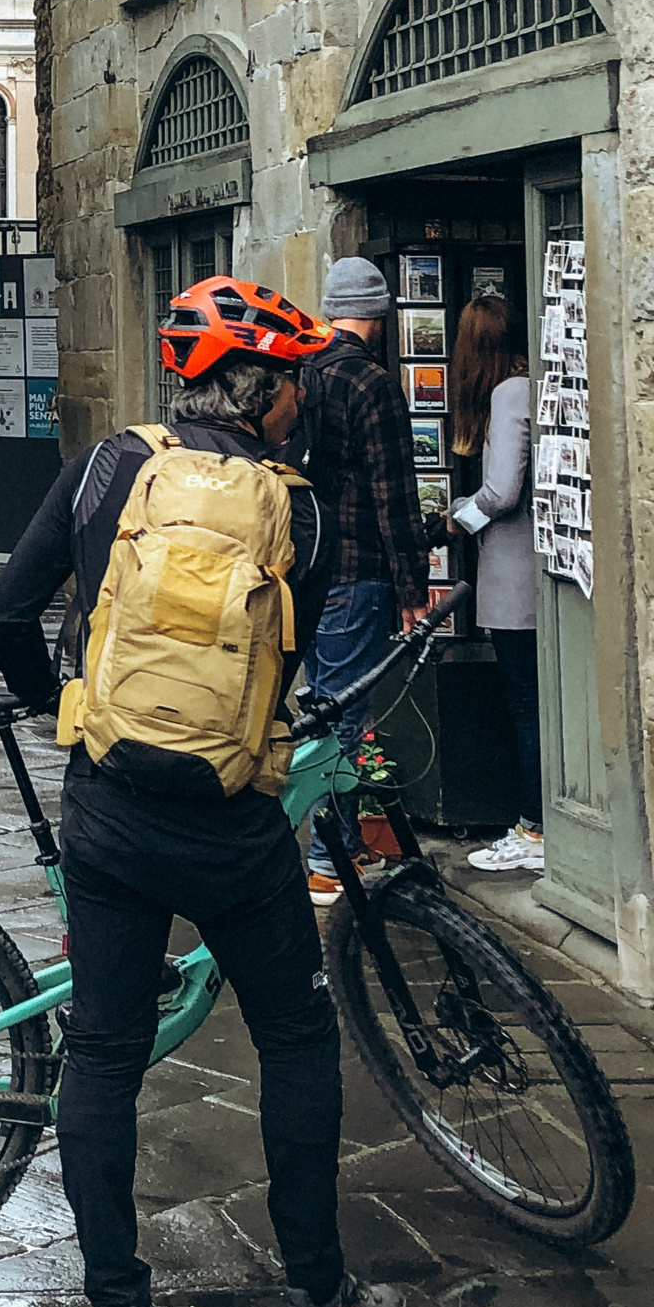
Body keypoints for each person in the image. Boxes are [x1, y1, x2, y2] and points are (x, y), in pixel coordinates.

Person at [0, 277, 409, 1307]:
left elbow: (5, 608)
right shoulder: (298, 509)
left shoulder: (106, 467)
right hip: (230, 822)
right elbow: (287, 666)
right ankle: (317, 1296)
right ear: (261, 385)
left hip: (111, 808)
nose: (299, 402)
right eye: (292, 384)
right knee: (296, 1039)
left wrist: (60, 705)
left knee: (104, 1057)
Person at [295, 255, 432, 900]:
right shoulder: (370, 382)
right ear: (378, 312)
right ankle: (328, 860)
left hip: (307, 572)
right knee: (345, 717)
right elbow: (393, 492)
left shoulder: (302, 373)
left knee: (322, 707)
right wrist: (413, 588)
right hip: (358, 572)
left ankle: (343, 844)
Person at [449, 296, 542, 874]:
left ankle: (532, 829)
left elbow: (502, 493)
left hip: (515, 578)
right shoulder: (533, 385)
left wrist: (454, 517)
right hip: (530, 574)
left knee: (525, 705)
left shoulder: (509, 394)